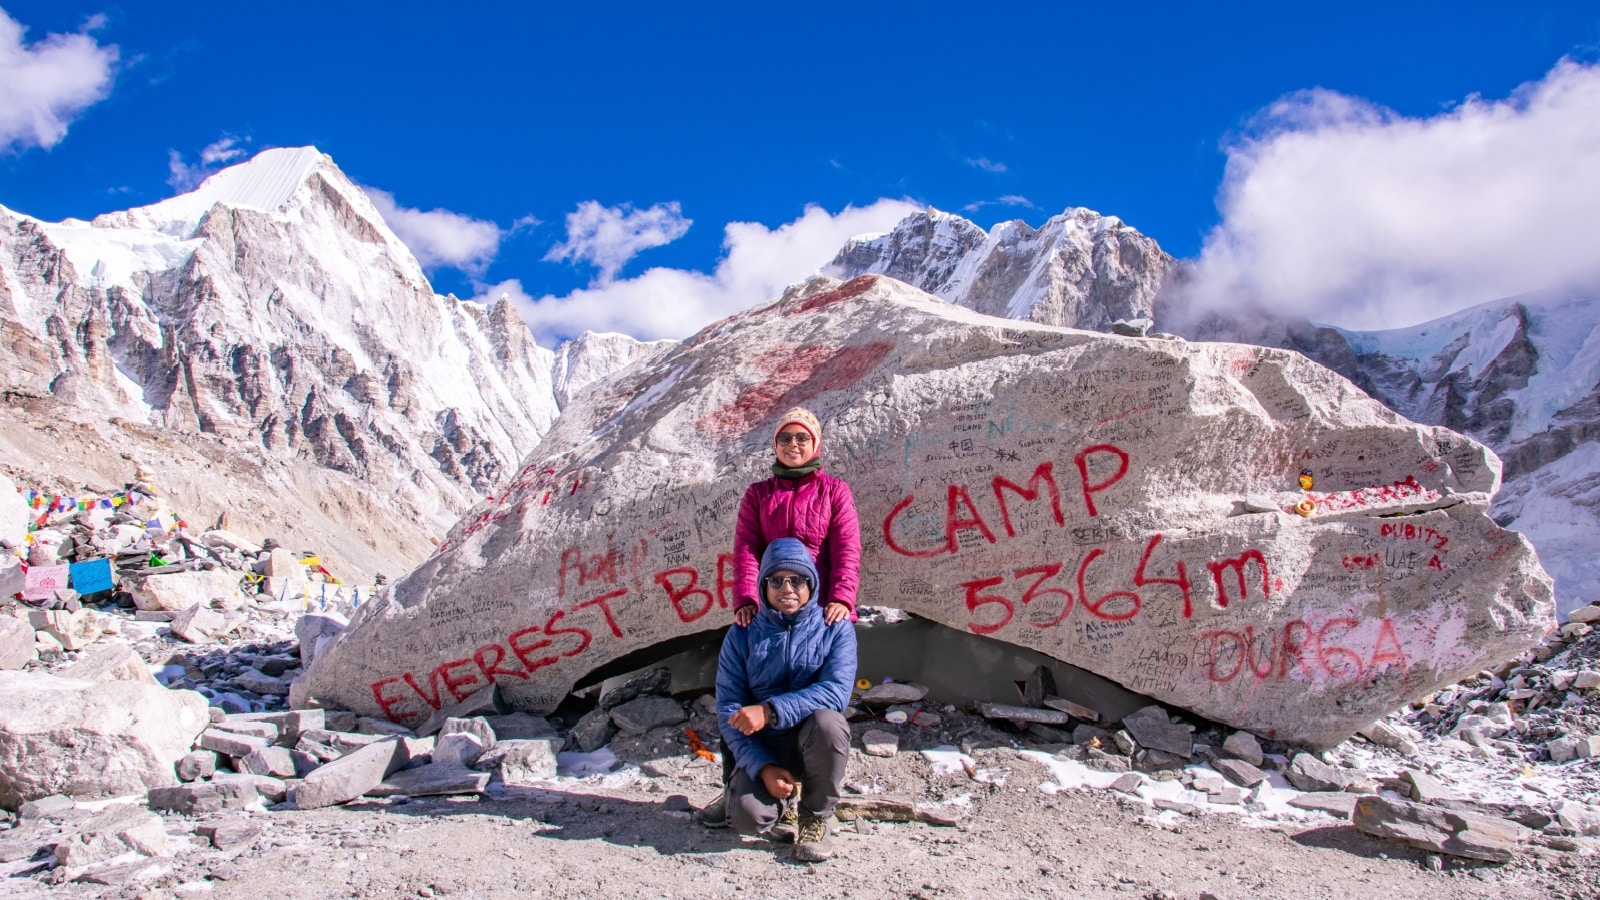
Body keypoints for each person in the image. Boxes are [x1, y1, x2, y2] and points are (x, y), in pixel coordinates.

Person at [712, 537, 856, 862]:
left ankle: (815, 816)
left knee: (830, 723)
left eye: (797, 579)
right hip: (766, 747)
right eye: (777, 580)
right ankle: (752, 796)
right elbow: (729, 709)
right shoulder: (742, 632)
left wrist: (771, 710)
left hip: (810, 741)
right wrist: (763, 768)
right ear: (763, 586)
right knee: (748, 818)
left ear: (812, 583)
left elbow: (835, 692)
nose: (787, 588)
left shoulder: (834, 629)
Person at [731, 407, 861, 629]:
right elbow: (747, 551)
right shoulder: (758, 494)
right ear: (775, 445)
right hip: (772, 612)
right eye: (785, 437)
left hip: (823, 612)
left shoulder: (834, 491)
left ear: (815, 444)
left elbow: (846, 549)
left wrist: (841, 599)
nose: (793, 444)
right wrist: (747, 599)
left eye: (802, 437)